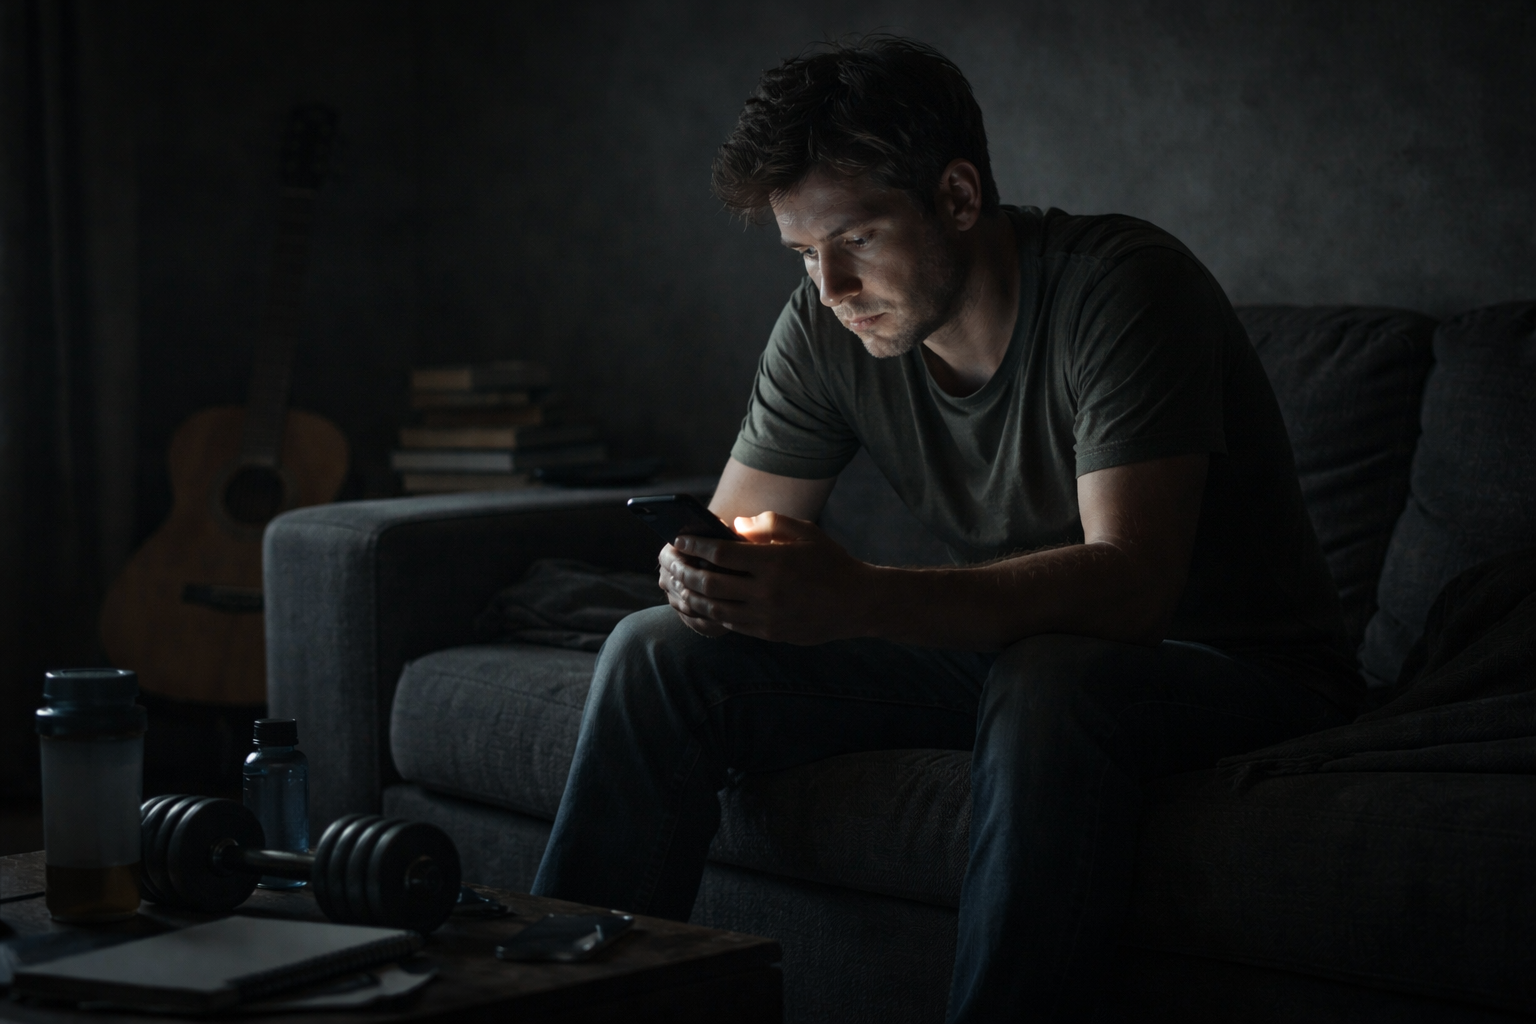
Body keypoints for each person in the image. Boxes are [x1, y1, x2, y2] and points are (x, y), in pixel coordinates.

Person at [531, 35, 1360, 1022]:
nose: (830, 288)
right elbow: (747, 530)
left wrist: (860, 596)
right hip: (1016, 656)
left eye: (858, 239)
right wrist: (714, 580)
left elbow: (1134, 587)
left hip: (1234, 666)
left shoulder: (1125, 285)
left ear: (958, 198)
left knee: (1054, 674)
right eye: (803, 252)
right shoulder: (823, 326)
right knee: (656, 650)